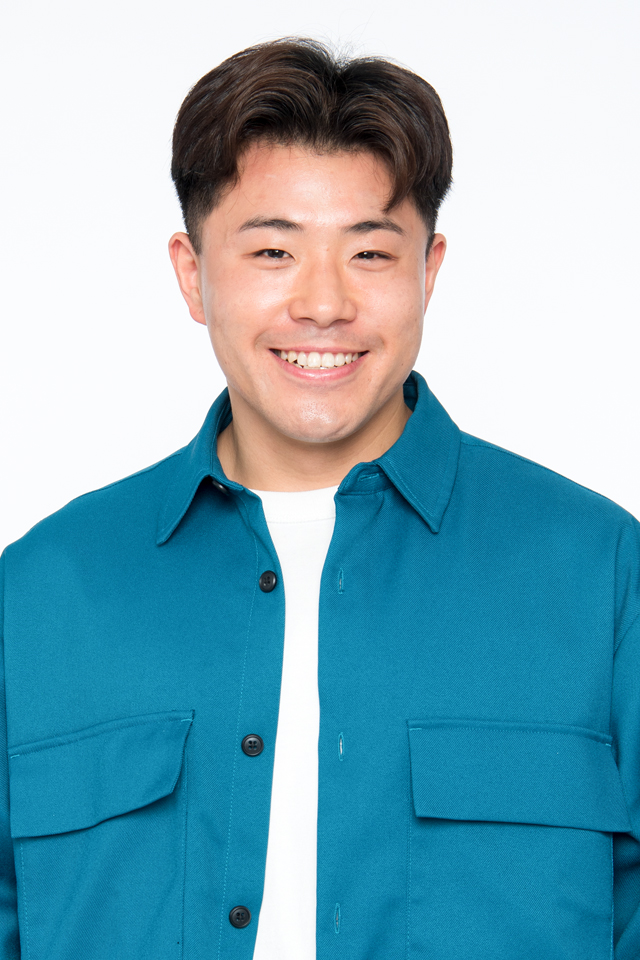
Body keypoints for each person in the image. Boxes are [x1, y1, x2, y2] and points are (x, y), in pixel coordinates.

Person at [1, 36, 639, 960]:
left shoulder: (603, 576)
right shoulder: (38, 596)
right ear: (192, 273)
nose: (324, 303)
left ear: (429, 271)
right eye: (273, 250)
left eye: (370, 253)